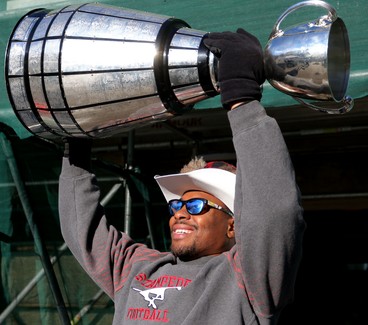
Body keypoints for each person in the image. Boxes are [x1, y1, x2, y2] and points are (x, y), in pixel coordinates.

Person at [59, 28, 305, 325]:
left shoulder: (246, 278)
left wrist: (242, 99)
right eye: (176, 206)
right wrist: (75, 142)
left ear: (233, 226)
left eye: (197, 205)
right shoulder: (138, 270)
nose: (180, 214)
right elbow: (81, 231)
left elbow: (272, 215)